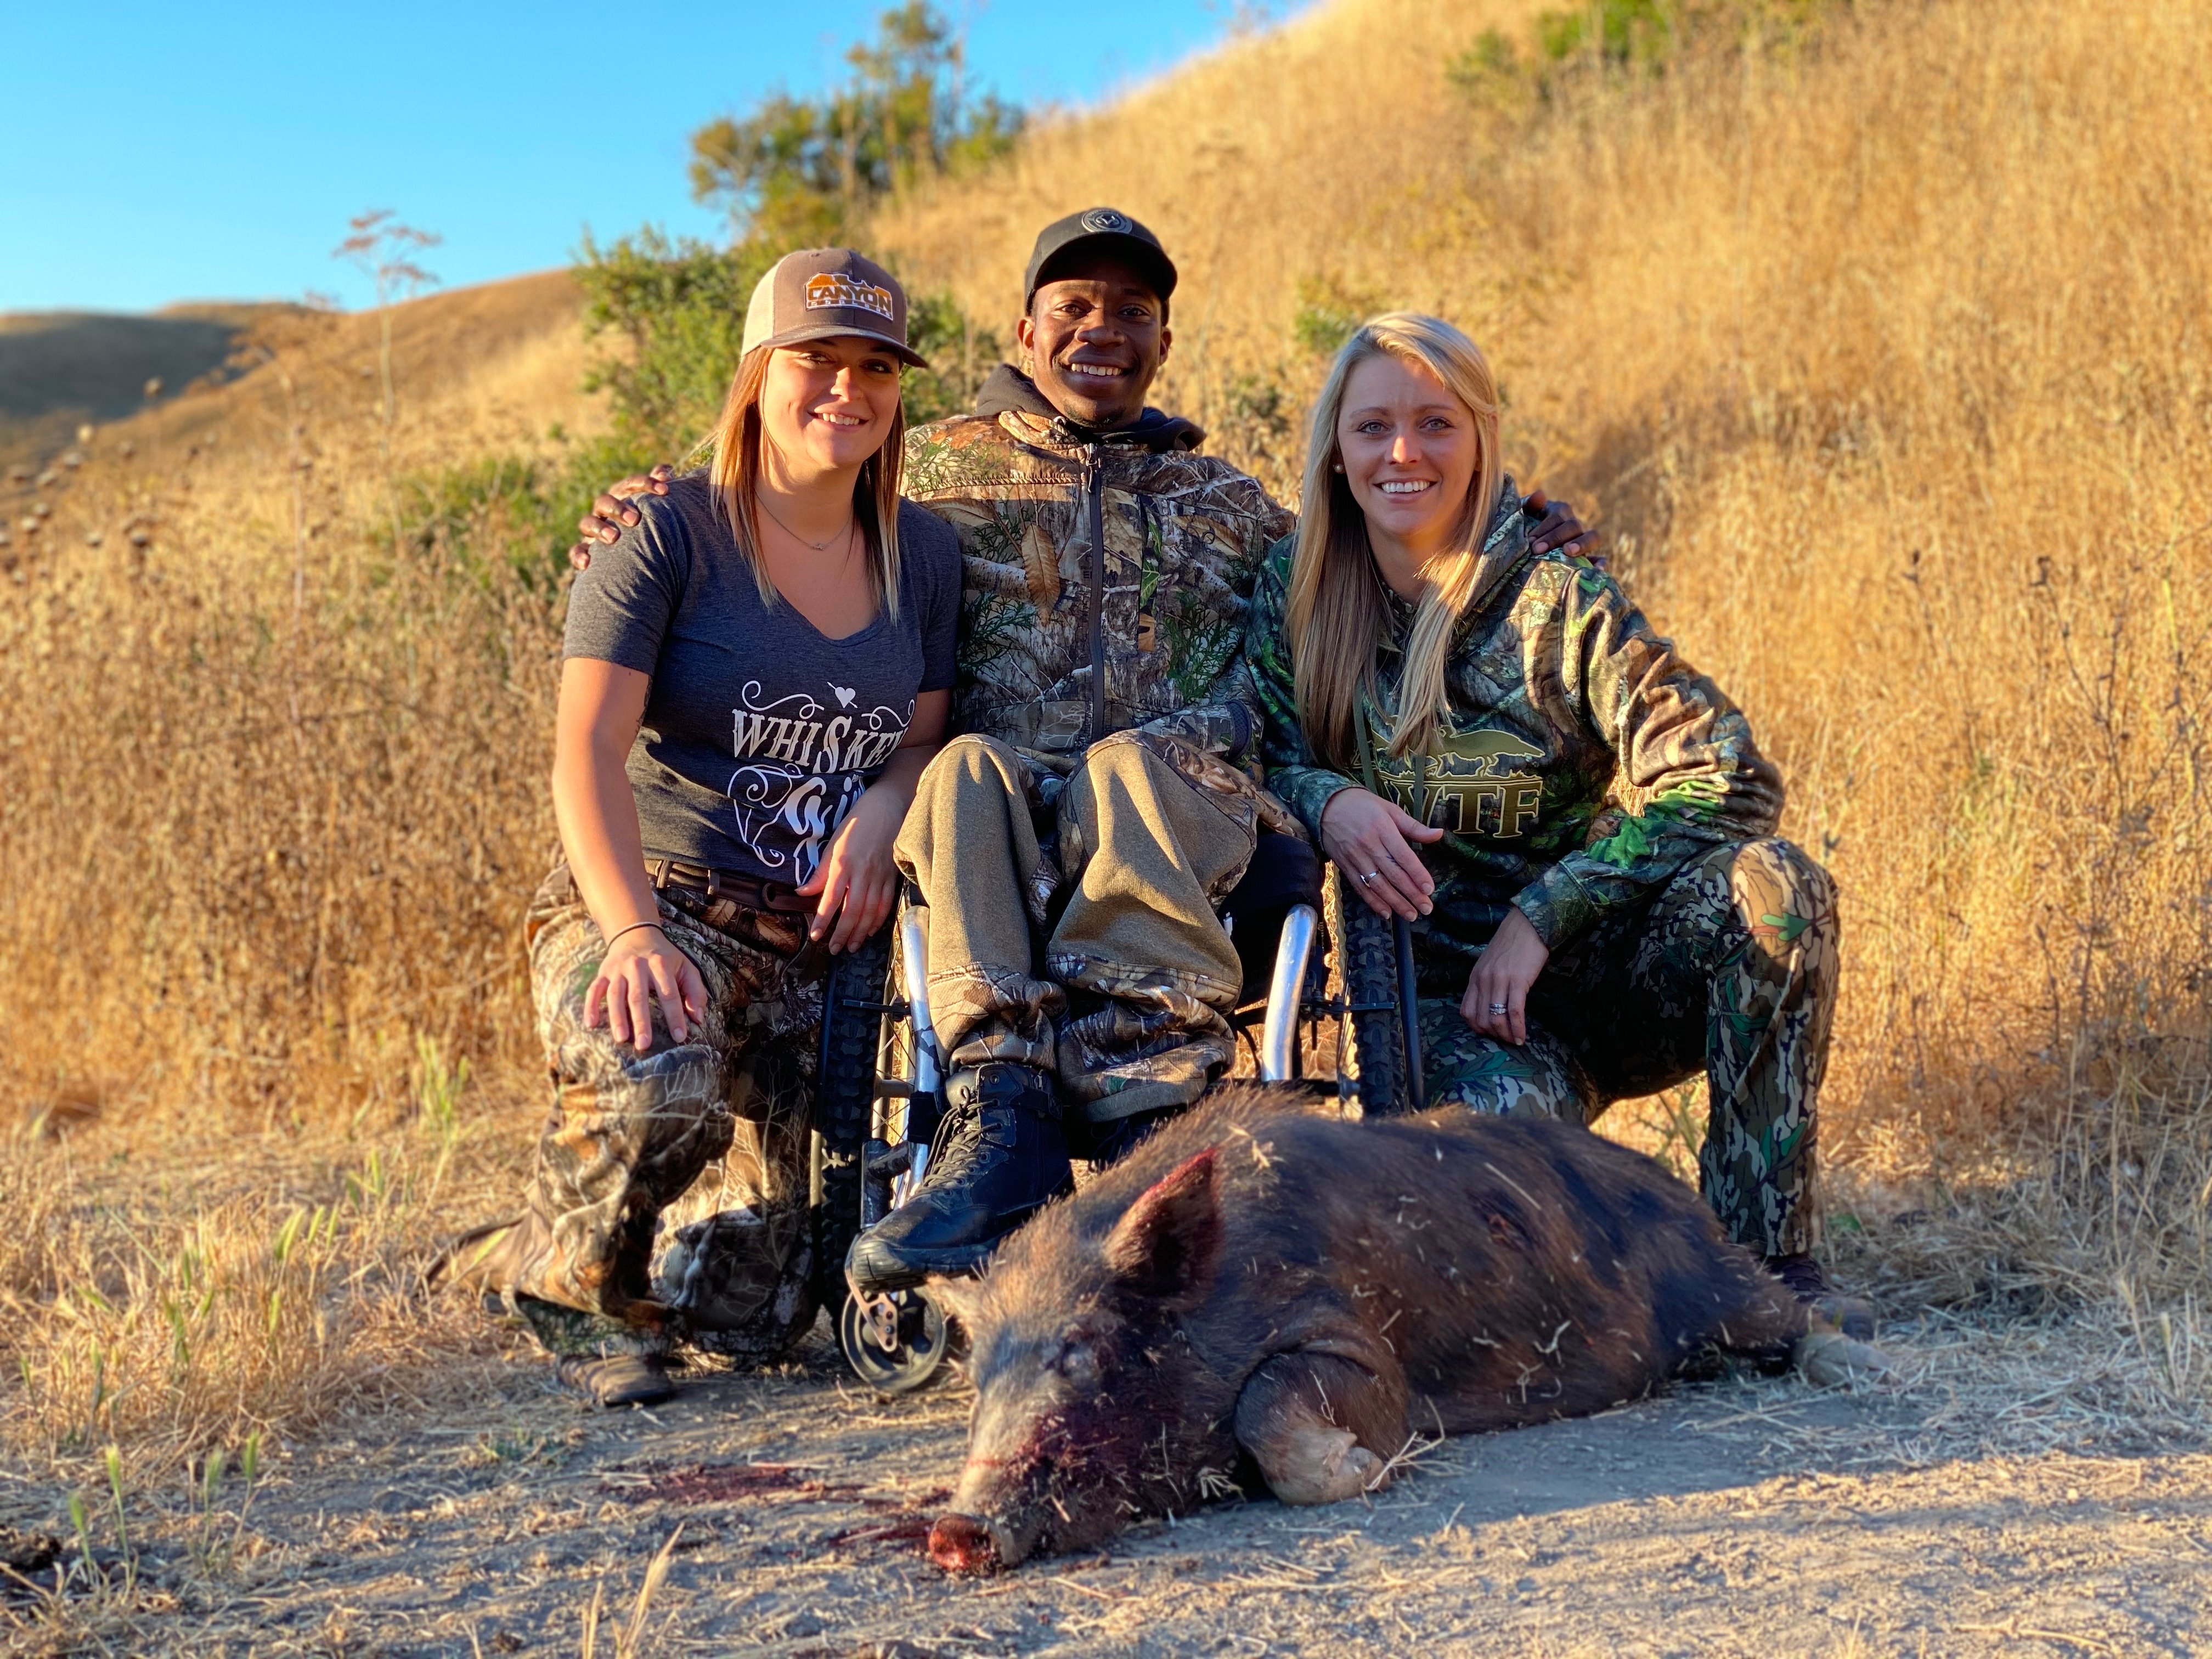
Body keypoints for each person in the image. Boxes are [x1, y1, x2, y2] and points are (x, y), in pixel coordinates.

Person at [572, 210, 1590, 1296]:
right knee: (963, 767)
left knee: (1132, 770)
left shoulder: (1232, 504)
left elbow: (1384, 554)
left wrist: (1517, 528)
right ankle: (999, 1110)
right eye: (1073, 306)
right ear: (1024, 331)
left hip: (1183, 832)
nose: (1102, 327)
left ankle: (1152, 1108)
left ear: (1164, 344)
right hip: (991, 841)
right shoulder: (933, 471)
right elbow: (781, 475)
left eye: (1133, 311)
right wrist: (647, 504)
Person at [1245, 312, 1865, 1325]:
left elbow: (1727, 772)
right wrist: (1330, 800)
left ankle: (1763, 1274)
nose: (1404, 453)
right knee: (1485, 1224)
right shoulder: (1294, 593)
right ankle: (1629, 1248)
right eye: (1374, 427)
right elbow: (1251, 762)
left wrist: (1544, 916)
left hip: (1592, 978)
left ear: (1481, 438)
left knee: (1777, 893)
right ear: (1337, 451)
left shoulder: (1559, 597)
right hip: (1434, 1014)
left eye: (1436, 423)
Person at [447, 249, 962, 1405]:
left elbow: (921, 741)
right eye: (816, 360)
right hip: (661, 898)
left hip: (823, 941)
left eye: (877, 366)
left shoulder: (924, 553)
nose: (848, 389)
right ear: (756, 372)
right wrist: (631, 934)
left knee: (781, 1306)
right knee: (660, 1086)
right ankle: (572, 1298)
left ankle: (567, 1246)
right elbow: (585, 750)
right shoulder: (664, 530)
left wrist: (884, 810)